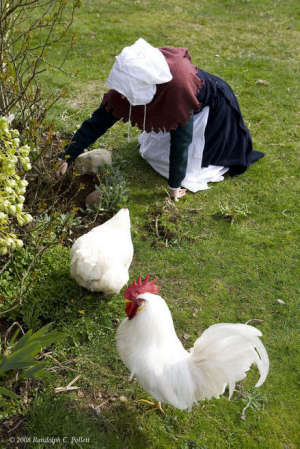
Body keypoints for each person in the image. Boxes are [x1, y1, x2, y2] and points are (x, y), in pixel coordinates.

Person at [57, 38, 264, 201]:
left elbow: (181, 141)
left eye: (125, 95)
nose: (121, 98)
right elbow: (97, 123)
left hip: (212, 110)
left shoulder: (178, 90)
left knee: (189, 171)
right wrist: (67, 156)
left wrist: (175, 185)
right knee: (150, 154)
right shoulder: (131, 80)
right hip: (179, 103)